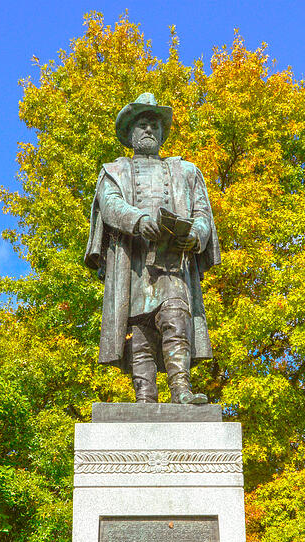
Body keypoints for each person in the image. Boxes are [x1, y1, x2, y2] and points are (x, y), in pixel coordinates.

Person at [84, 93, 220, 404]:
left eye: (155, 126)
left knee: (176, 317)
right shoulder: (114, 171)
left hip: (172, 264)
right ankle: (145, 397)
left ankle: (182, 391)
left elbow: (202, 214)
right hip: (131, 265)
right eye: (143, 124)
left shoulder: (186, 171)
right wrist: (138, 219)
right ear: (130, 132)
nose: (149, 130)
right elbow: (110, 205)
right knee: (140, 332)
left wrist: (196, 236)